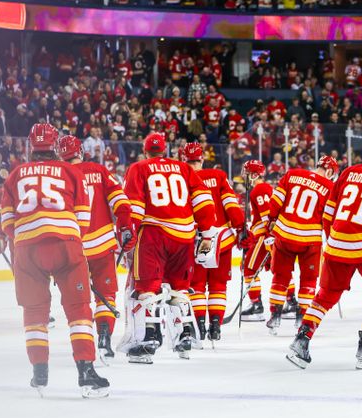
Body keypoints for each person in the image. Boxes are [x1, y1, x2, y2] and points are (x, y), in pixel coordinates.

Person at [0, 123, 109, 397]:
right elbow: (83, 213)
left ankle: (39, 372)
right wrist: (71, 238)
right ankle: (85, 370)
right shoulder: (71, 171)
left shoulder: (15, 174)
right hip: (66, 245)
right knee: (79, 310)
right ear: (54, 145)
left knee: (34, 313)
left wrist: (21, 238)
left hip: (27, 250)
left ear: (32, 146)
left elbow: (7, 219)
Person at [287, 132, 362, 369]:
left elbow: (328, 215)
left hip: (336, 245)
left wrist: (333, 240)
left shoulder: (348, 172)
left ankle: (301, 341)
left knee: (325, 296)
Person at [120, 133, 217, 363]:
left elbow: (133, 205)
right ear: (166, 150)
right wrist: (207, 234)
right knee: (179, 288)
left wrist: (128, 237)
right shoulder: (184, 169)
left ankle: (149, 339)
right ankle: (183, 335)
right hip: (184, 235)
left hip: (154, 233)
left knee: (148, 288)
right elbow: (203, 200)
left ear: (146, 151)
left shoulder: (139, 167)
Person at [57, 135, 133, 361]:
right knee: (106, 294)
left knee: (78, 300)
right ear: (80, 151)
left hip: (72, 248)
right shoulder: (98, 170)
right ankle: (104, 340)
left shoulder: (59, 174)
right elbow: (120, 200)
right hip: (101, 244)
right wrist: (125, 226)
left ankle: (83, 345)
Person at [265, 155, 337, 334]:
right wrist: (331, 239)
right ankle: (302, 318)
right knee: (309, 280)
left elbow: (275, 202)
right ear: (330, 171)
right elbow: (328, 218)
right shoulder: (330, 187)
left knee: (280, 277)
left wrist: (272, 220)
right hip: (309, 240)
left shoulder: (292, 175)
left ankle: (275, 316)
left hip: (284, 234)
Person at [181, 143, 244, 342]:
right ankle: (215, 326)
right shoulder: (218, 176)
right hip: (221, 240)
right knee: (218, 285)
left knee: (197, 285)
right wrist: (241, 227)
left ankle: (199, 325)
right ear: (202, 159)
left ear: (184, 159)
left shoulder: (181, 178)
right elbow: (231, 205)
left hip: (194, 239)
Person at [239, 160, 273, 321]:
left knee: (248, 268)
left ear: (254, 174)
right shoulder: (263, 188)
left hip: (264, 236)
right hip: (265, 236)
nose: (243, 176)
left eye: (246, 173)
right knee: (279, 269)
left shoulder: (259, 189)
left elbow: (267, 217)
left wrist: (269, 238)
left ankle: (256, 306)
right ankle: (291, 302)